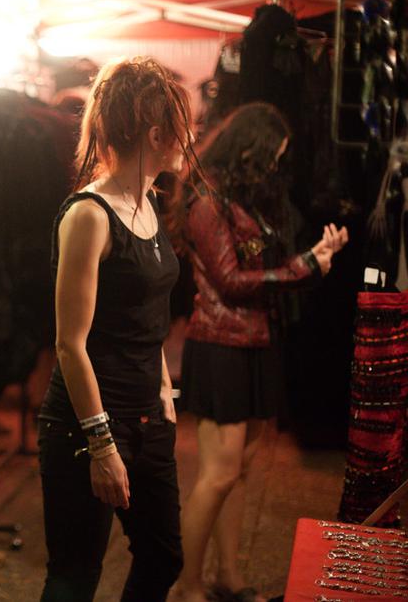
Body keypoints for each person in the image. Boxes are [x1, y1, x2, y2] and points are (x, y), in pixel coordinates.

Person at [168, 103, 348, 602]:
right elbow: (229, 280)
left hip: (251, 341)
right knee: (218, 475)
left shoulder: (236, 199)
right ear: (248, 148)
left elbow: (253, 268)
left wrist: (311, 258)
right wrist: (304, 268)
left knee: (239, 472)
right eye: (272, 155)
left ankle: (227, 576)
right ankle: (187, 586)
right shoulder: (209, 202)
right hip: (221, 345)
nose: (274, 165)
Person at [38, 57, 198, 601]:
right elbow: (69, 344)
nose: (189, 138)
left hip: (148, 418)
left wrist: (163, 391)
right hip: (87, 426)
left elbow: (146, 315)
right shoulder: (89, 214)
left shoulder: (148, 202)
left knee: (163, 556)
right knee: (74, 576)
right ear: (156, 134)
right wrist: (101, 442)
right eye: (181, 126)